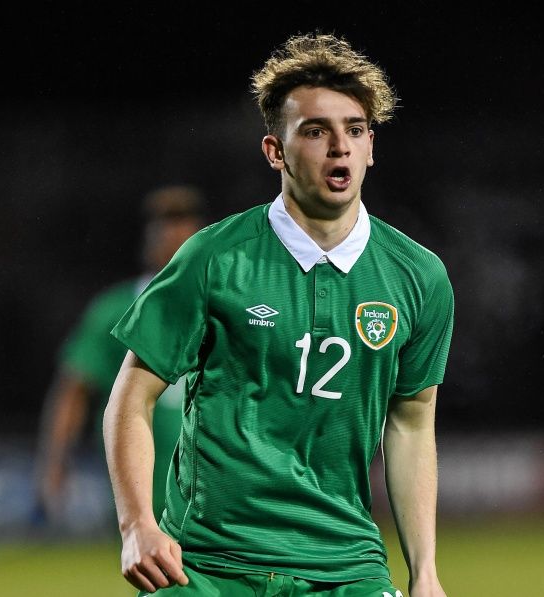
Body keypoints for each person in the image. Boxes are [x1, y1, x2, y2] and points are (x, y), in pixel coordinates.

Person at [104, 32, 454, 597]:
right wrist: (136, 524)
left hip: (346, 566)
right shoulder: (213, 257)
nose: (339, 147)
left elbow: (412, 424)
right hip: (206, 563)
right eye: (315, 131)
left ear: (371, 146)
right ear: (275, 151)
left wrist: (426, 572)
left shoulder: (419, 276)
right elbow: (131, 395)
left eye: (355, 130)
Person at [34, 184, 207, 527]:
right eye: (165, 226)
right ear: (148, 238)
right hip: (140, 480)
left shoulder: (226, 303)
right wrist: (55, 461)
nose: (174, 236)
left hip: (210, 480)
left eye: (184, 224)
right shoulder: (115, 310)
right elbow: (75, 388)